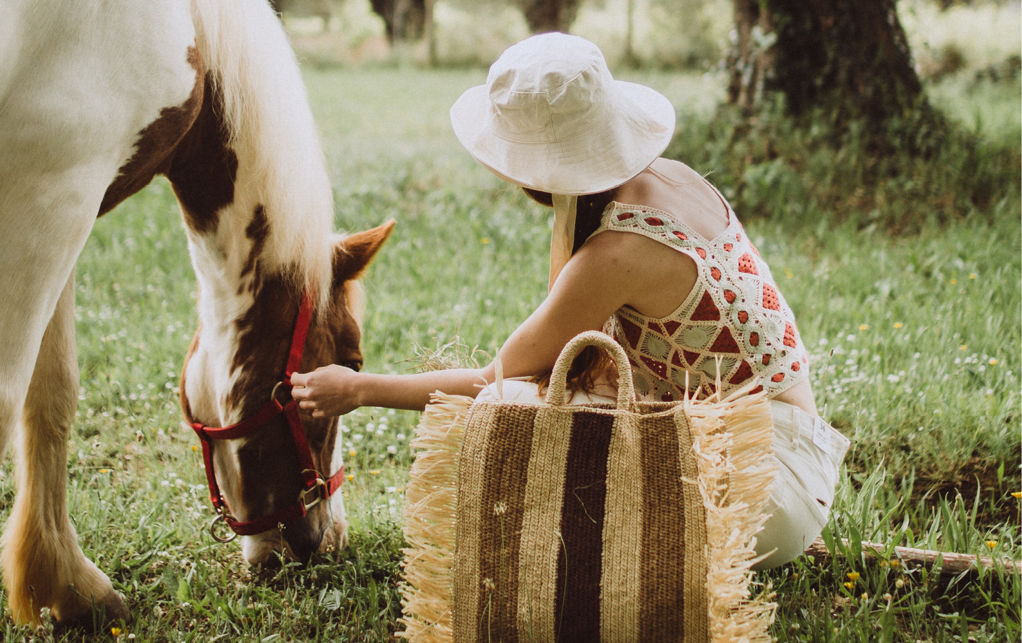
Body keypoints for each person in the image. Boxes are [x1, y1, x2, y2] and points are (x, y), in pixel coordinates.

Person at [290, 32, 849, 568]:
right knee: (565, 399)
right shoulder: (673, 180)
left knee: (501, 411)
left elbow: (495, 377)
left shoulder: (615, 252)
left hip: (765, 491)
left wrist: (359, 388)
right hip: (792, 456)